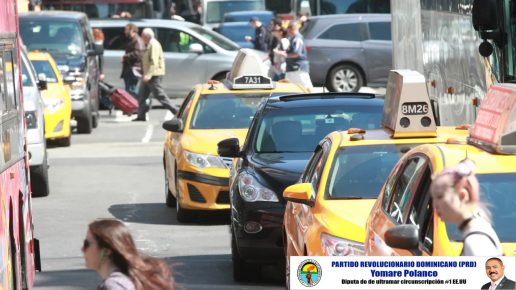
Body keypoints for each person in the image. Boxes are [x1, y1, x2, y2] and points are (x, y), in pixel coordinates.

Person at [430, 159, 503, 256]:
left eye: (439, 196)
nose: (434, 205)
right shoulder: (478, 229)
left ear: (462, 195)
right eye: (433, 198)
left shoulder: (476, 242)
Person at [82, 219, 174, 290]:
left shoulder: (113, 285)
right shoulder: (126, 280)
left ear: (106, 251)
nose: (82, 249)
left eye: (87, 244)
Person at [134, 28, 177, 121]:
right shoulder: (149, 44)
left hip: (153, 74)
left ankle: (177, 112)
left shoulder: (153, 45)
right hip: (147, 74)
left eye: (142, 36)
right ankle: (141, 115)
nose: (141, 38)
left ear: (147, 36)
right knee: (142, 95)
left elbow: (154, 62)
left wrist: (148, 75)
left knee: (160, 95)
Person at [121, 23, 144, 98]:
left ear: (132, 30)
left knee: (132, 89)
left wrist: (126, 56)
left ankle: (142, 102)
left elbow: (138, 53)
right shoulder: (130, 40)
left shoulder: (137, 40)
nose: (125, 32)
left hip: (134, 68)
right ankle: (134, 105)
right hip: (129, 68)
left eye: (126, 30)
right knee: (129, 89)